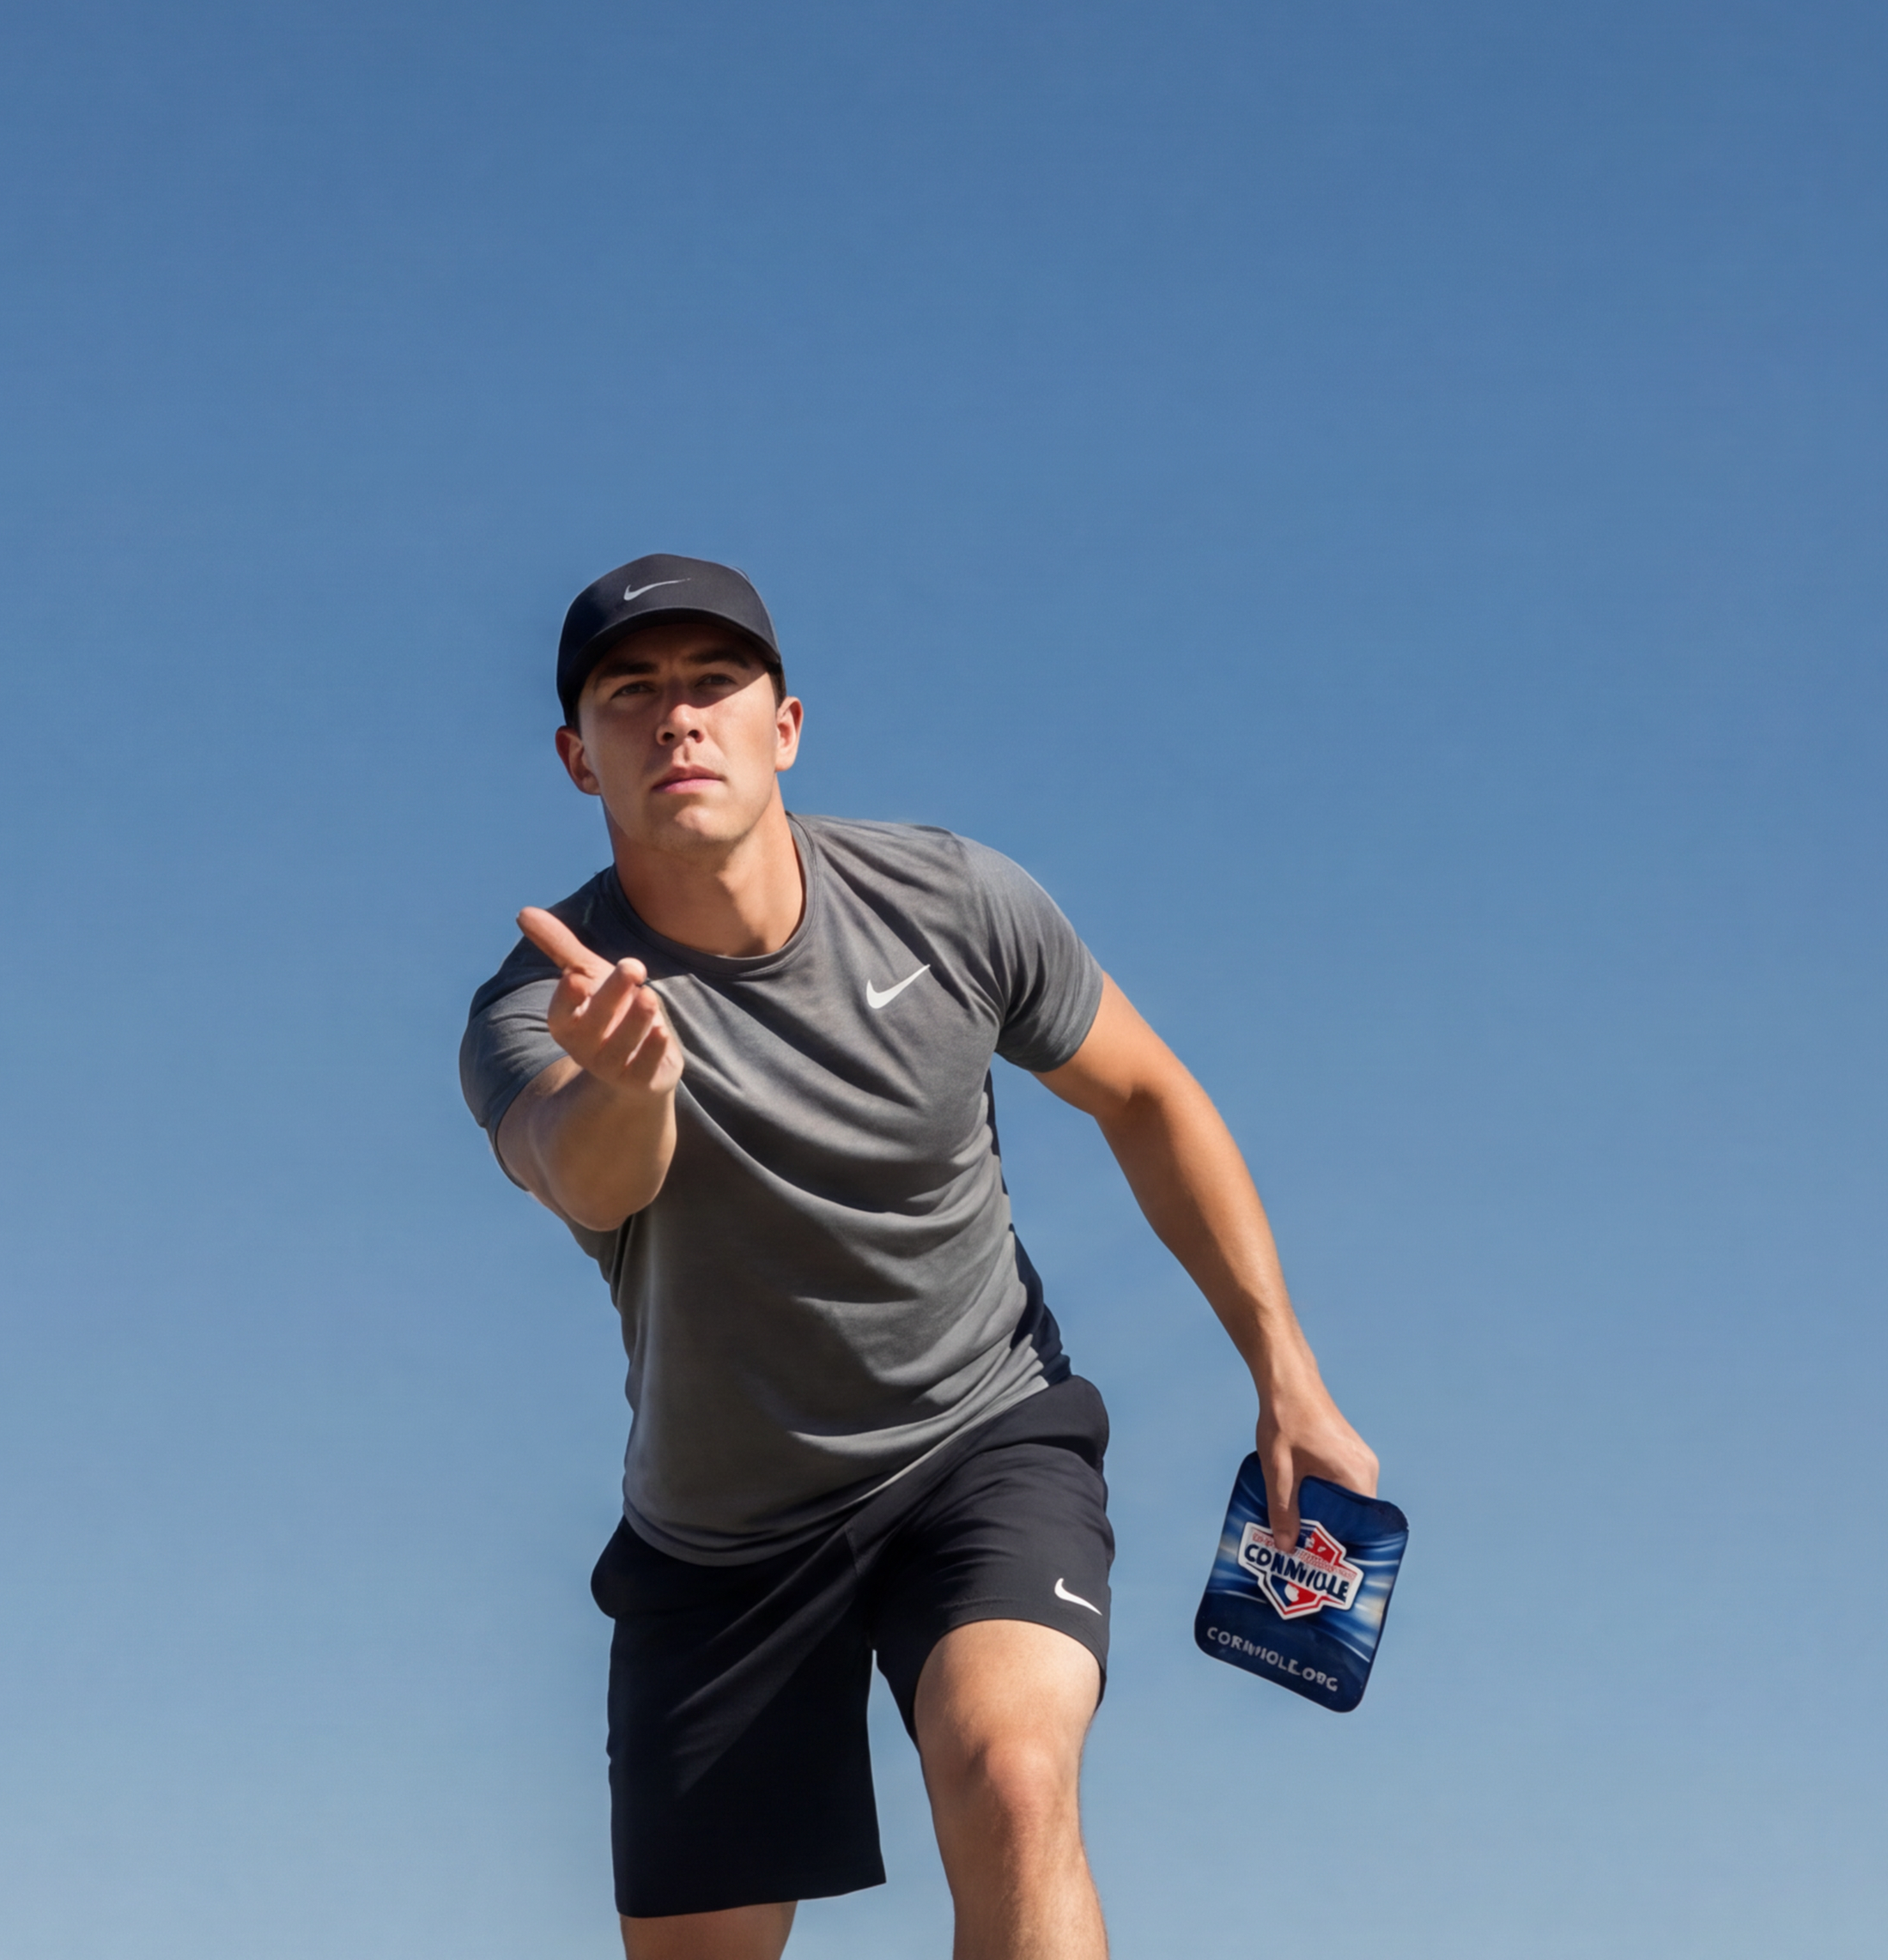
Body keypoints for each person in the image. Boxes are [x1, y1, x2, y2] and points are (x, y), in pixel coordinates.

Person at [462, 554, 1381, 1960]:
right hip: (721, 1541)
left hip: (979, 1440)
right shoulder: (548, 999)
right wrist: (629, 1088)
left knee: (1013, 1777)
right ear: (581, 758)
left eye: (715, 683)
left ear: (787, 728)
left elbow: (1148, 1096)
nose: (679, 719)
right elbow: (585, 1171)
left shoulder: (951, 901)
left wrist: (1286, 1370)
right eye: (632, 695)